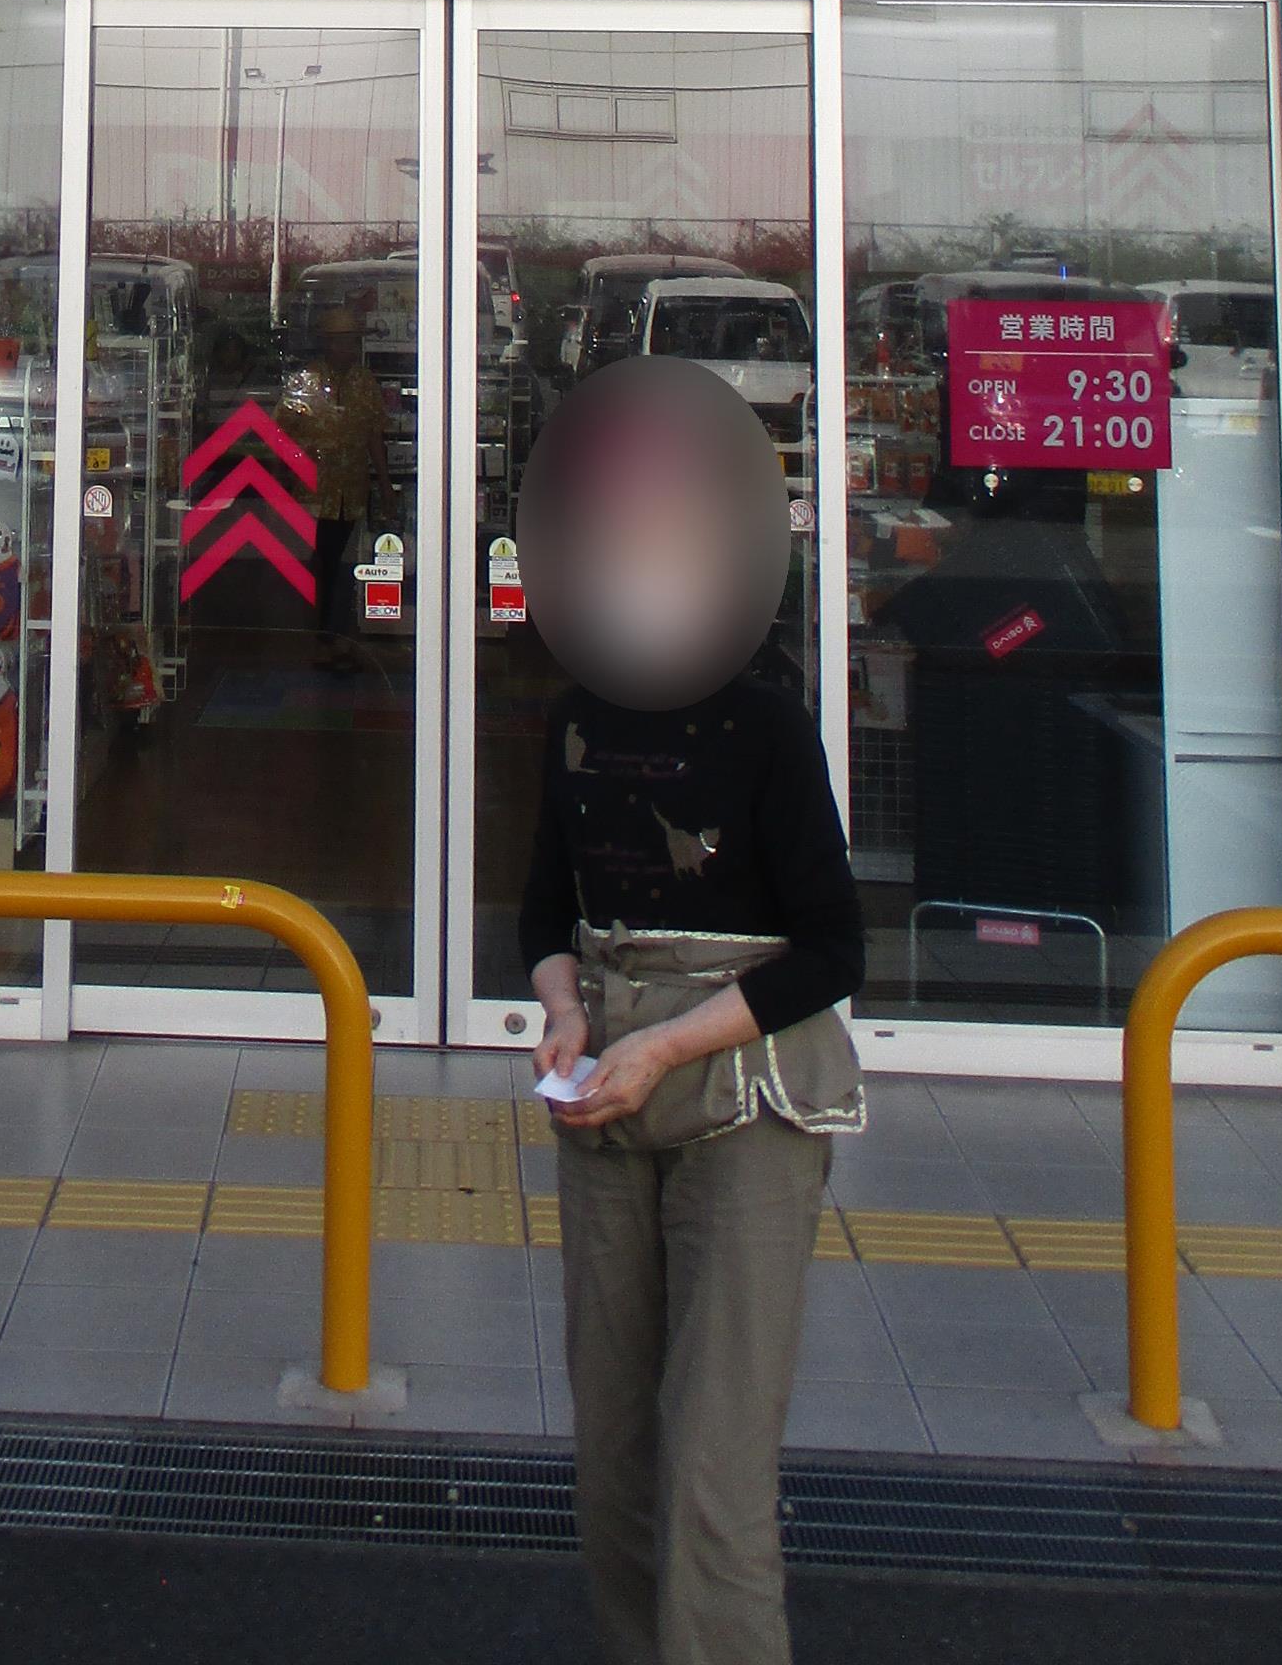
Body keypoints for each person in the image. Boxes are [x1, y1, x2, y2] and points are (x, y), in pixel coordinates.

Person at [517, 381, 865, 1665]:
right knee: (611, 1448)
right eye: (619, 534)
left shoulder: (767, 726)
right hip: (607, 1094)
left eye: (668, 534)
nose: (642, 559)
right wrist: (564, 1010)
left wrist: (664, 1044)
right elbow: (544, 910)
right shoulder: (573, 718)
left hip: (745, 1092)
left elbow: (834, 949)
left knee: (717, 1462)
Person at [280, 304, 393, 664]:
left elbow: (374, 435)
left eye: (352, 341)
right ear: (327, 343)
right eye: (341, 341)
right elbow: (281, 433)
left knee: (346, 565)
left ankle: (338, 634)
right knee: (320, 563)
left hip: (352, 489)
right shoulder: (305, 381)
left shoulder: (365, 382)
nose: (348, 348)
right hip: (313, 492)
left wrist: (385, 486)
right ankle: (321, 636)